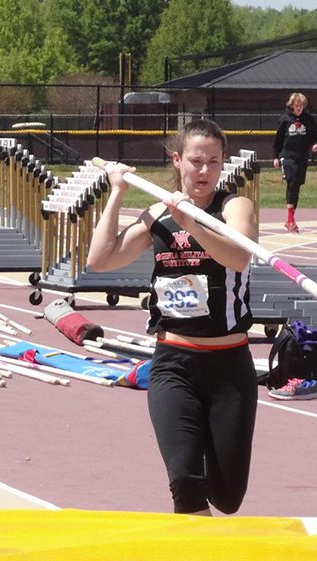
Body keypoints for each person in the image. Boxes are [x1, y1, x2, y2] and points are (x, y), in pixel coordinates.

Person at [87, 119, 258, 516]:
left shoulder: (234, 207)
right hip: (173, 364)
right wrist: (117, 194)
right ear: (178, 161)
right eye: (196, 161)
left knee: (228, 497)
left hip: (229, 366)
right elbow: (100, 259)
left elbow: (237, 255)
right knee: (184, 479)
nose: (203, 171)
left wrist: (192, 224)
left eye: (213, 163)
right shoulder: (156, 214)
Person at [272, 92, 317, 233]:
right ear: (291, 105)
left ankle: (290, 218)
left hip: (302, 157)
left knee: (296, 186)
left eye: (301, 106)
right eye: (296, 106)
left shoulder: (309, 119)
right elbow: (278, 140)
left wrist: (315, 144)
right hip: (287, 156)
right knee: (291, 182)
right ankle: (290, 219)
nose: (298, 108)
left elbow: (315, 136)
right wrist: (275, 157)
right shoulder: (285, 119)